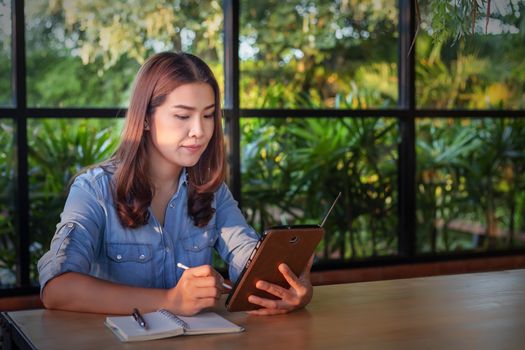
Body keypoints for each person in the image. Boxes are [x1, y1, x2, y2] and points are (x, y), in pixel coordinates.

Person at [37, 52, 314, 317]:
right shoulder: (93, 190)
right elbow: (57, 289)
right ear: (145, 118)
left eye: (207, 115)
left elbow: (247, 258)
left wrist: (290, 288)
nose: (200, 131)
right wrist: (171, 301)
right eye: (183, 116)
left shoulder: (212, 190)